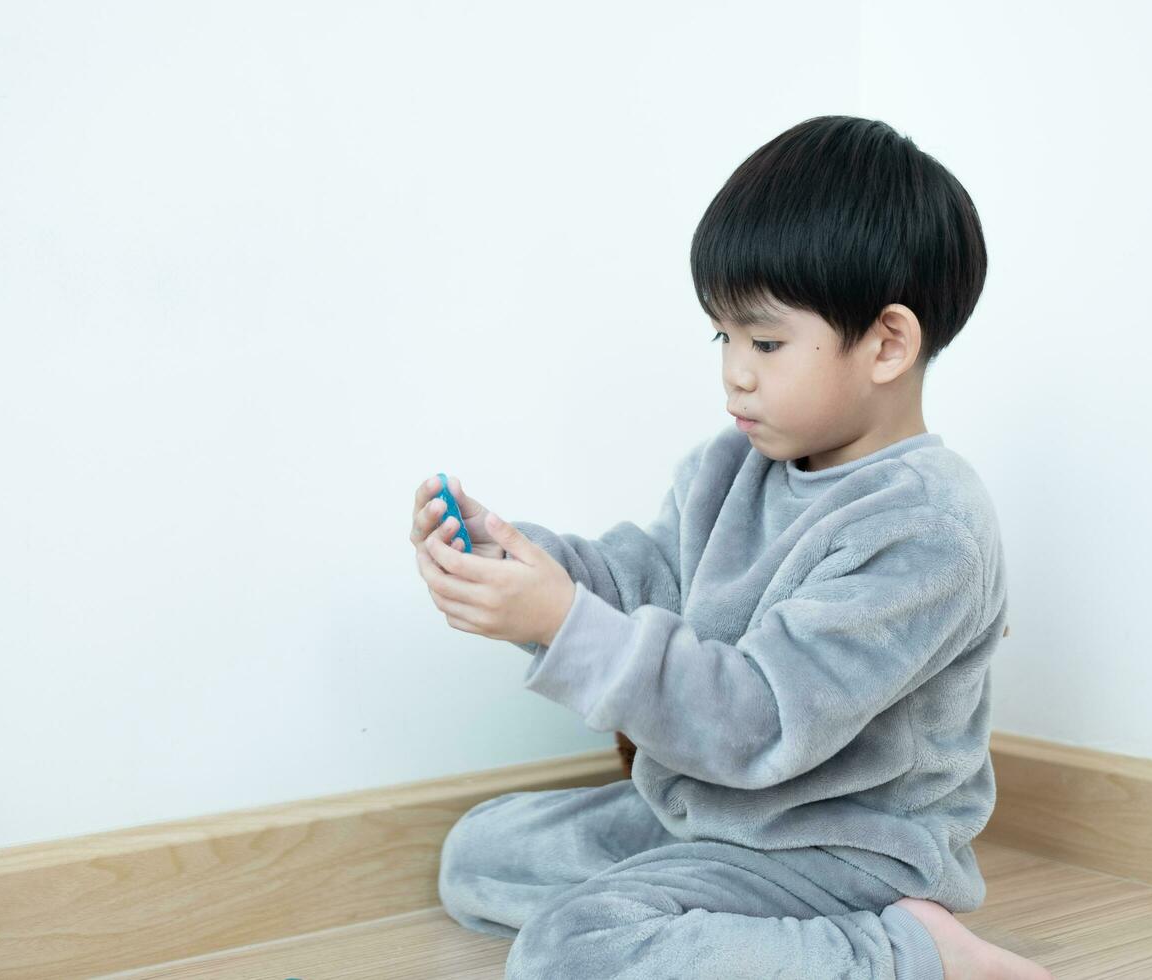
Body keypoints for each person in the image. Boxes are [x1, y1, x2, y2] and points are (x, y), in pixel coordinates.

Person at [409, 114, 1053, 979]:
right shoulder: (737, 465)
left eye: (766, 341)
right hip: (719, 814)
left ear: (887, 344)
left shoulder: (927, 528)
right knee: (479, 855)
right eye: (724, 337)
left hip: (838, 849)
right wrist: (516, 561)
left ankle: (909, 950)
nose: (735, 372)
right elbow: (645, 576)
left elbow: (759, 718)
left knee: (569, 950)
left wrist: (565, 626)